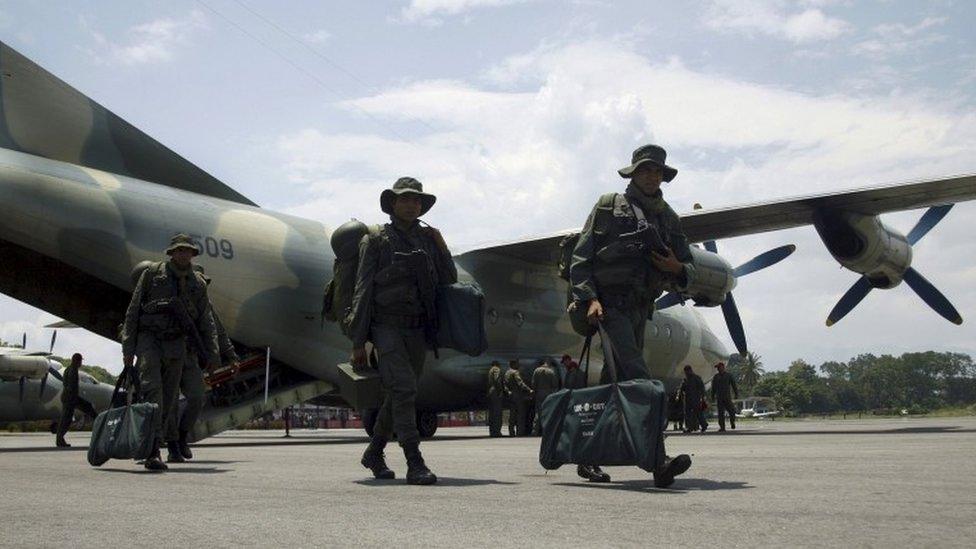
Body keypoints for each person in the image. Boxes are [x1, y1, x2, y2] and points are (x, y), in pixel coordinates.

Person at [569, 143, 695, 487]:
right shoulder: (608, 206)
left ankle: (587, 457)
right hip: (609, 307)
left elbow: (687, 263)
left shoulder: (668, 216)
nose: (651, 176)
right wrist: (589, 299)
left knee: (620, 385)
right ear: (634, 173)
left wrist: (677, 267)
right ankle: (658, 461)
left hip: (641, 307)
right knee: (641, 380)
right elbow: (581, 259)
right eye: (645, 170)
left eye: (657, 172)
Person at [348, 177, 457, 485]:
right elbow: (362, 290)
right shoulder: (376, 239)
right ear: (392, 204)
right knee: (406, 389)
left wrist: (442, 247)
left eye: (416, 200)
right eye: (405, 199)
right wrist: (358, 341)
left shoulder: (428, 239)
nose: (412, 204)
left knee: (398, 393)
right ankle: (414, 460)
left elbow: (448, 279)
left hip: (418, 329)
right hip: (387, 327)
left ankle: (374, 451)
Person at [120, 233, 220, 471]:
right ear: (172, 253)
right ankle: (152, 451)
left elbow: (207, 320)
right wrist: (128, 348)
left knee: (168, 398)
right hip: (150, 340)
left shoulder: (197, 283)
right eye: (179, 250)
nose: (183, 254)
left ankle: (171, 441)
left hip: (177, 344)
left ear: (192, 254)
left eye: (187, 251)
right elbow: (133, 311)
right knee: (153, 393)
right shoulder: (152, 274)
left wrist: (213, 354)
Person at [166, 265, 241, 462]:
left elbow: (219, 332)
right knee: (170, 403)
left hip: (190, 358)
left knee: (198, 396)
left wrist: (231, 356)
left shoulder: (205, 307)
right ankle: (172, 445)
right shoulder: (169, 299)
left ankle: (182, 436)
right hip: (169, 357)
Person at [55, 353, 97, 447]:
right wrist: (74, 400)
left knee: (67, 418)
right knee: (66, 419)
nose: (81, 363)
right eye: (80, 361)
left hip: (69, 397)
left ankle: (60, 439)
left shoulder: (68, 369)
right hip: (70, 397)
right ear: (77, 361)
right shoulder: (73, 371)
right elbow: (71, 386)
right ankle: (59, 439)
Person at [531, 358, 561, 435]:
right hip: (549, 394)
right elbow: (555, 384)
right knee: (548, 412)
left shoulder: (536, 371)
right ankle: (546, 431)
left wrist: (534, 392)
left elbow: (533, 383)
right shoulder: (551, 371)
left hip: (539, 393)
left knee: (538, 412)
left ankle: (535, 431)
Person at [504, 359, 532, 437]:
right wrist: (529, 390)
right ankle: (520, 432)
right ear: (514, 364)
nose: (518, 365)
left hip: (511, 395)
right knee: (520, 414)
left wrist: (508, 392)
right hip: (518, 396)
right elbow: (520, 383)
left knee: (512, 415)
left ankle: (511, 432)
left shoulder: (507, 373)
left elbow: (505, 385)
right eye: (517, 364)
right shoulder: (515, 372)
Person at [711, 362, 739, 432]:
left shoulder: (729, 375)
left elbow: (734, 385)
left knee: (732, 411)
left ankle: (732, 422)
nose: (718, 369)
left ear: (723, 367)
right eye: (717, 368)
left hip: (727, 397)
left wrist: (736, 394)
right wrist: (712, 396)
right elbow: (713, 388)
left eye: (719, 367)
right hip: (719, 398)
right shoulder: (716, 377)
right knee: (720, 414)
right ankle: (722, 427)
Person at [680, 365, 707, 433]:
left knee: (698, 413)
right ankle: (689, 428)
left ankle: (704, 425)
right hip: (688, 399)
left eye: (686, 371)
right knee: (688, 414)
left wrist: (703, 398)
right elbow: (682, 389)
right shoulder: (686, 380)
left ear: (690, 370)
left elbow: (702, 388)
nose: (686, 373)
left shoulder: (696, 378)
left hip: (696, 399)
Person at [486, 360, 505, 437]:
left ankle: (492, 431)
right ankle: (497, 432)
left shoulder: (490, 370)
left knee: (492, 413)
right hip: (495, 391)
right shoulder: (496, 369)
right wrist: (500, 390)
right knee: (497, 413)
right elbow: (497, 379)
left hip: (491, 391)